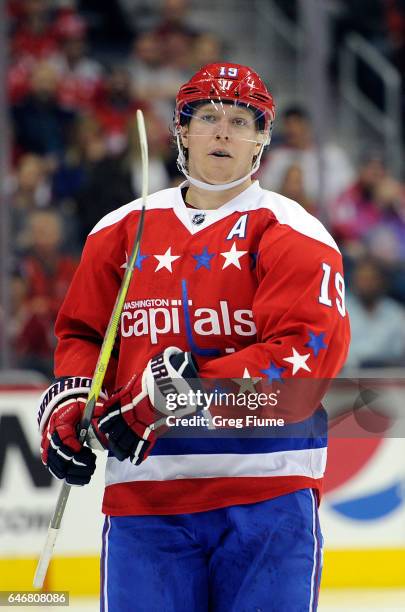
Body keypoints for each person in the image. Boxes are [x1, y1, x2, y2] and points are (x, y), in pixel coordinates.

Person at [37, 63, 350, 611]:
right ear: (182, 131)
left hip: (266, 499)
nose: (223, 132)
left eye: (239, 120)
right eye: (207, 117)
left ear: (262, 139)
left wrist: (179, 396)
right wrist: (71, 406)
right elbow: (85, 336)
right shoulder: (118, 231)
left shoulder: (294, 233)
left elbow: (302, 371)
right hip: (145, 503)